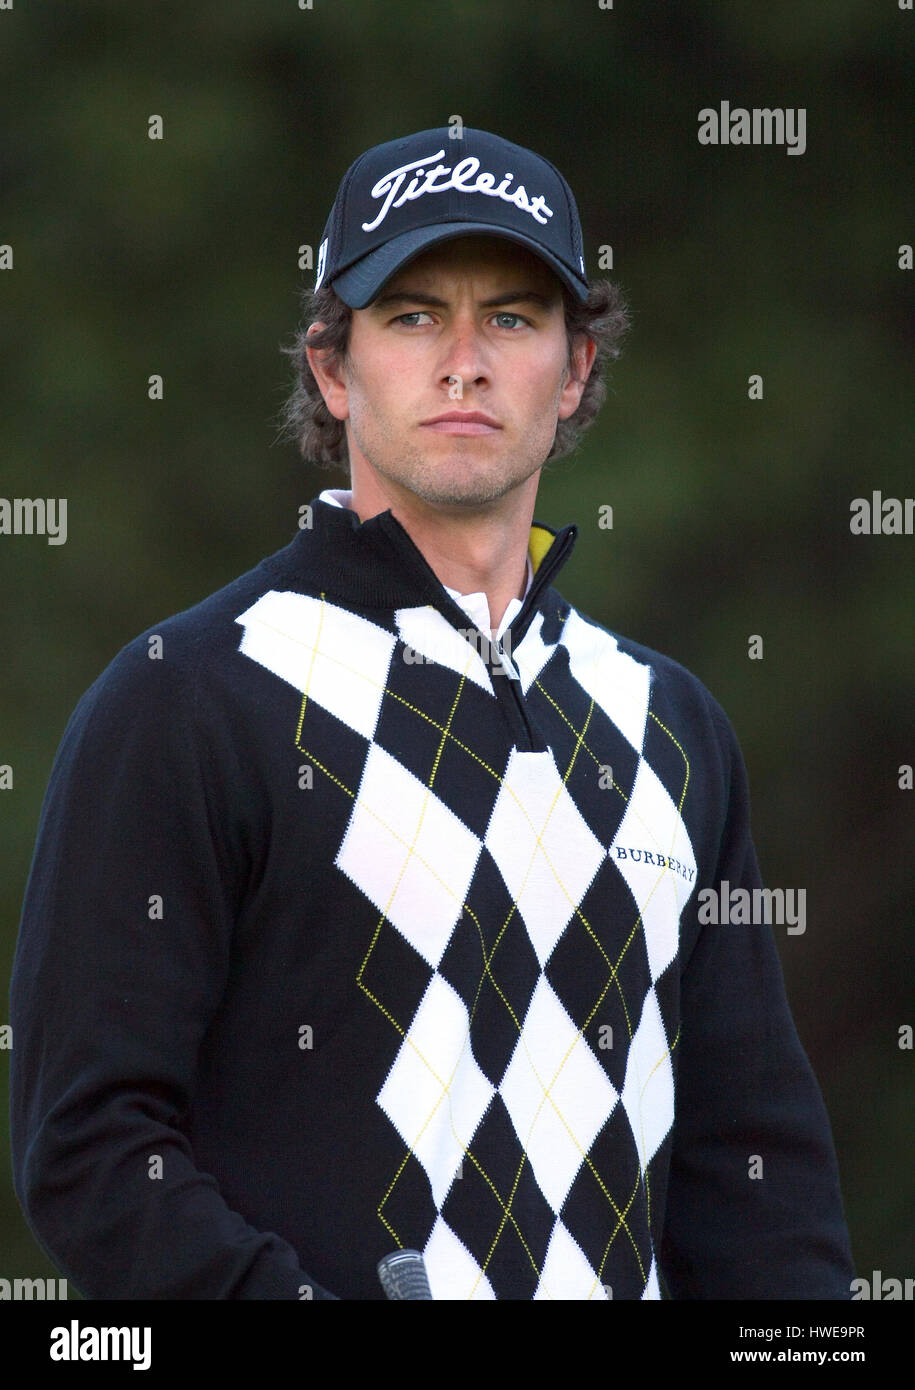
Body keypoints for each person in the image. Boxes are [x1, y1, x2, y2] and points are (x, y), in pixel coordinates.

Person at [10, 125, 855, 1300]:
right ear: (332, 368)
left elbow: (759, 1175)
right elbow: (90, 1146)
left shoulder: (672, 725)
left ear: (573, 372)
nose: (464, 361)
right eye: (411, 317)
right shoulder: (187, 696)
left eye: (511, 318)